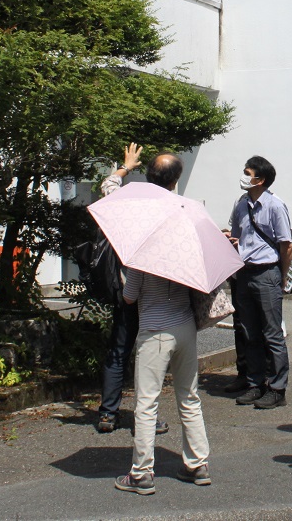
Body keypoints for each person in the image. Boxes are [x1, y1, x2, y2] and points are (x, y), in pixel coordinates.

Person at [111, 153, 210, 496]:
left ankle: (141, 472)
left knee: (147, 401)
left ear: (150, 178)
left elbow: (130, 295)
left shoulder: (144, 232)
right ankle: (198, 464)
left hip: (154, 327)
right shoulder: (189, 222)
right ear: (175, 179)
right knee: (189, 397)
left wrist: (128, 274)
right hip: (184, 323)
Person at [96, 143, 169, 436]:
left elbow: (108, 185)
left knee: (119, 349)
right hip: (155, 293)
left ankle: (107, 414)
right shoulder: (172, 207)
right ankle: (147, 418)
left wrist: (127, 165)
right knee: (150, 356)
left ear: (148, 175)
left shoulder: (128, 199)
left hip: (126, 286)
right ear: (174, 180)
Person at [227, 155, 292, 409]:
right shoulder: (241, 203)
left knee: (272, 333)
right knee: (249, 331)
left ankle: (277, 388)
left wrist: (282, 277)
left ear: (261, 179)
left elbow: (286, 245)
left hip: (267, 273)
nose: (244, 176)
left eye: (248, 172)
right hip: (244, 272)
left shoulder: (275, 206)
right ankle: (255, 383)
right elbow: (237, 235)